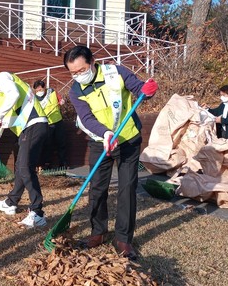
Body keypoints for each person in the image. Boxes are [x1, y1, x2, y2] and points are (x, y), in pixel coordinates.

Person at [63, 46, 158, 260]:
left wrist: (148, 90)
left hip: (128, 140)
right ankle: (98, 232)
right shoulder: (76, 91)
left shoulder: (117, 73)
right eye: (73, 73)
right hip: (100, 142)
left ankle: (123, 238)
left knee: (126, 188)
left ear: (93, 62)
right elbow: (87, 118)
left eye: (82, 69)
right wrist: (105, 134)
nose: (78, 75)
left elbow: (139, 89)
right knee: (97, 188)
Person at [0, 66, 49, 228]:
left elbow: (13, 95)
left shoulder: (2, 78)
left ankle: (38, 212)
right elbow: (2, 120)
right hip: (26, 128)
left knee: (24, 167)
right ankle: (11, 202)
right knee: (21, 167)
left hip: (33, 125)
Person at [33, 79, 68, 170]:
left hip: (57, 121)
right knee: (48, 145)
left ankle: (62, 164)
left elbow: (60, 99)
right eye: (37, 91)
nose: (38, 92)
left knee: (61, 143)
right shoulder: (34, 98)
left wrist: (61, 101)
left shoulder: (51, 92)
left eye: (40, 90)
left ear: (44, 88)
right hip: (47, 124)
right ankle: (47, 164)